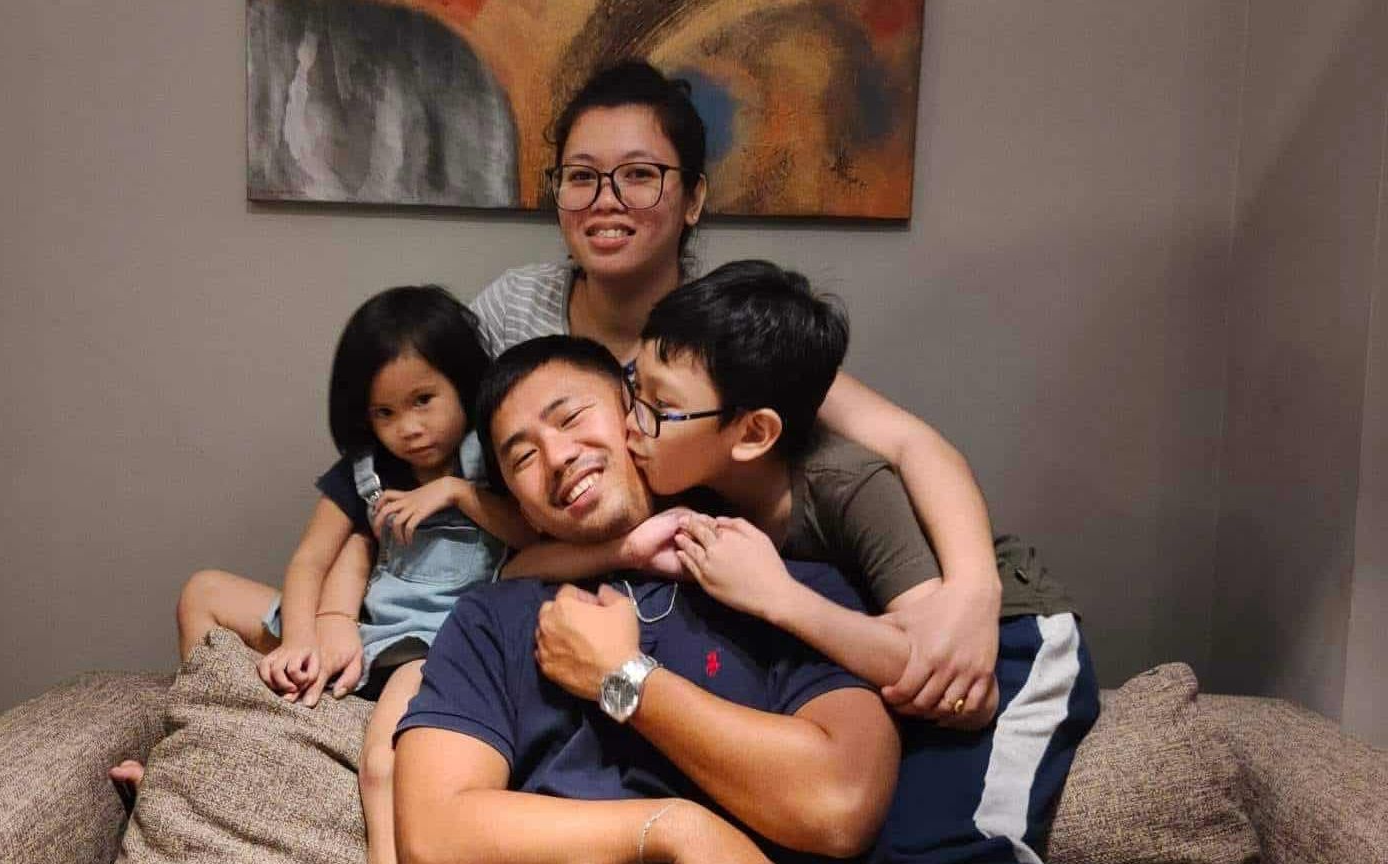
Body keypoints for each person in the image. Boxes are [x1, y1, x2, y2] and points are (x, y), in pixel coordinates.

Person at [472, 60, 1005, 726]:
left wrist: (975, 592)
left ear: (693, 198)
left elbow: (908, 442)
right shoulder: (512, 312)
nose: (606, 199)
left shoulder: (721, 338)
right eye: (581, 176)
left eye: (639, 174)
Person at [516, 261, 1099, 863]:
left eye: (658, 406)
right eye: (633, 387)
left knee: (946, 844)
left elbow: (927, 661)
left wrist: (780, 598)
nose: (632, 423)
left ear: (752, 435)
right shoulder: (687, 456)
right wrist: (624, 548)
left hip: (1005, 637)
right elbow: (519, 565)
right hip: (875, 643)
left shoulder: (846, 485)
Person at [393, 336, 900, 864]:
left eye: (571, 418)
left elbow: (841, 805)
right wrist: (674, 830)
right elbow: (434, 836)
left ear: (638, 417)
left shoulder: (783, 588)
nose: (559, 457)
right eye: (524, 457)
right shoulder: (492, 619)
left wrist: (624, 679)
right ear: (523, 511)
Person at [113, 286, 536, 864]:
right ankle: (190, 753)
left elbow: (533, 536)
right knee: (203, 592)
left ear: (463, 383)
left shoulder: (491, 458)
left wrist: (458, 493)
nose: (409, 428)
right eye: (385, 413)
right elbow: (311, 559)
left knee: (384, 760)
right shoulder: (368, 472)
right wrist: (304, 637)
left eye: (424, 401)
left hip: (436, 652)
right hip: (361, 638)